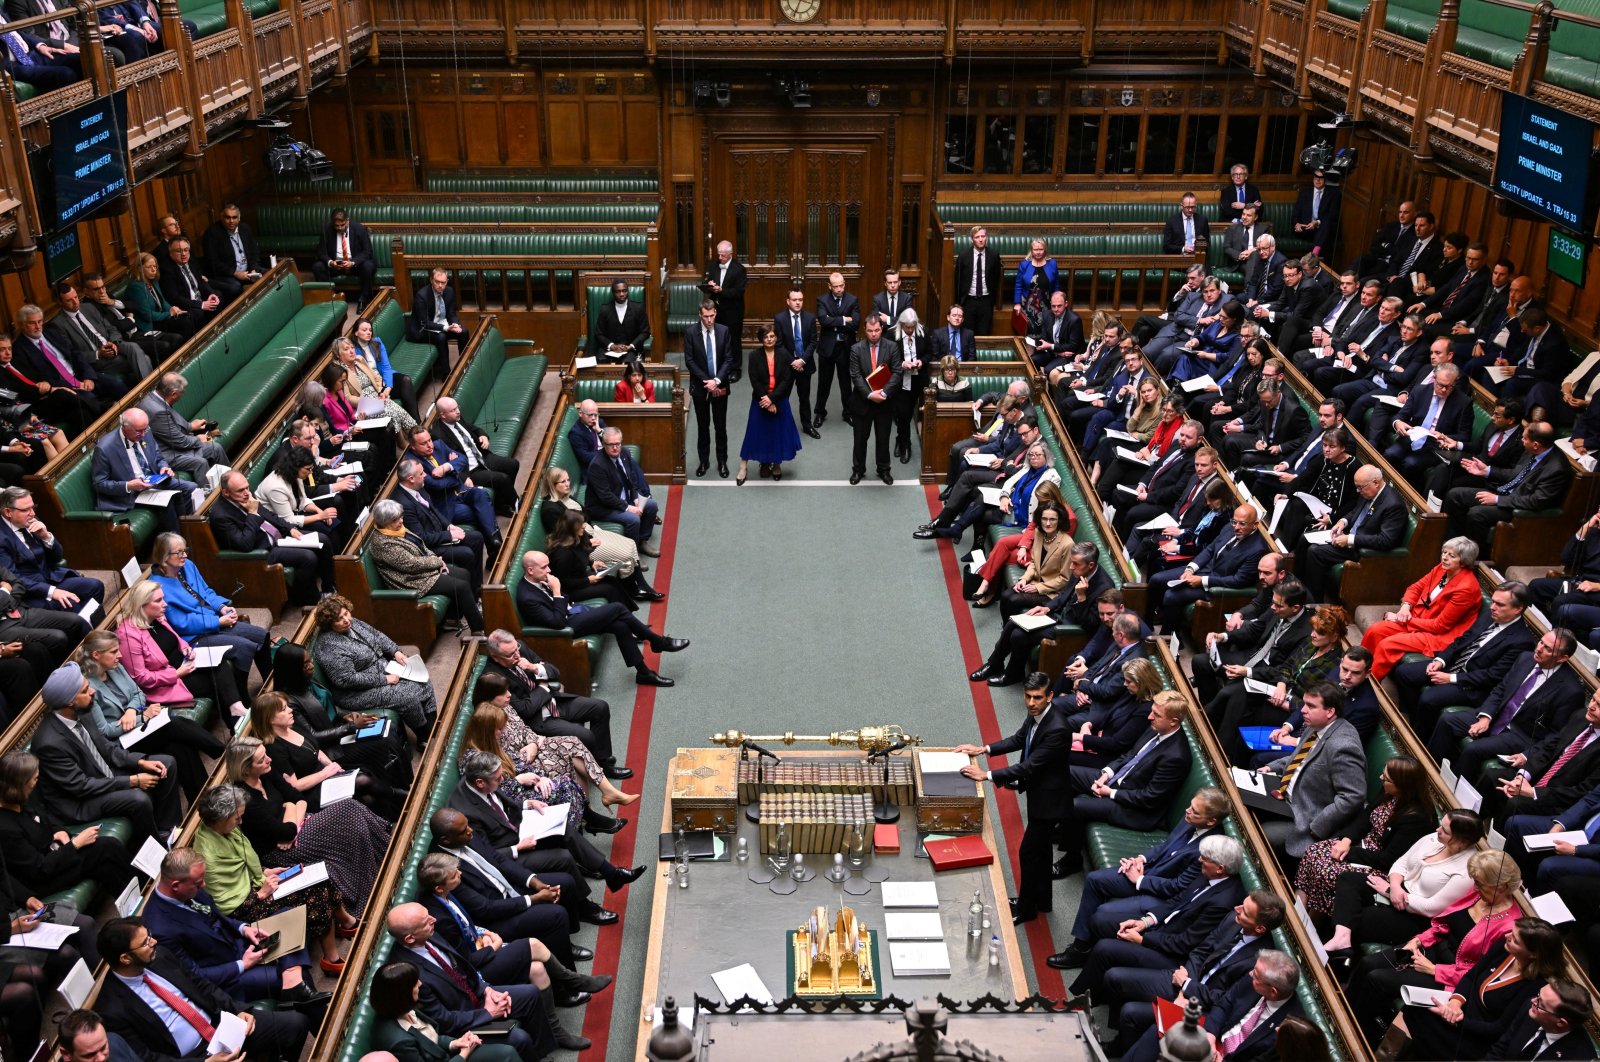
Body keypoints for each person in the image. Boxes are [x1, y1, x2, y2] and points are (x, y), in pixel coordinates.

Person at [1346, 849, 1524, 1042]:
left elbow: (1480, 975)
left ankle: (1356, 1038)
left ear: (1502, 886)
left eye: (1481, 883)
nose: (1475, 886)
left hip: (1448, 977)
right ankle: (1342, 1016)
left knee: (1376, 979)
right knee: (1367, 964)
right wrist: (1419, 940)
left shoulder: (1510, 927)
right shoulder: (1477, 893)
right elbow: (1443, 925)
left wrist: (1434, 970)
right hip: (1430, 950)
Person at [1050, 786, 1230, 970]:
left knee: (1103, 914)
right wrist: (1141, 859)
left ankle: (1083, 951)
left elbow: (1178, 887)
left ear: (1211, 822)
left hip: (1162, 896)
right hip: (1148, 870)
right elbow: (1166, 845)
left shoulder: (1209, 851)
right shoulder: (1190, 819)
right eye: (1190, 806)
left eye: (1195, 811)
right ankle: (1081, 949)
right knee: (1095, 880)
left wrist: (1140, 880)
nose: (1188, 811)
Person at [447, 751, 634, 925]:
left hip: (520, 830)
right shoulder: (466, 814)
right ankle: (584, 907)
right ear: (480, 783)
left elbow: (499, 804)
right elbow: (487, 856)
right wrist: (518, 848)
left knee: (564, 831)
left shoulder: (480, 781)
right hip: (509, 856)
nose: (502, 780)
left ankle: (611, 874)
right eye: (498, 779)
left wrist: (528, 803)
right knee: (563, 858)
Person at [96, 917, 311, 1062]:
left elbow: (202, 986)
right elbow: (148, 1058)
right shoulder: (111, 1008)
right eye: (145, 942)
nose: (154, 941)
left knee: (297, 1024)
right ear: (125, 958)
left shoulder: (160, 956)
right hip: (194, 1056)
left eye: (149, 935)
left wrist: (239, 1010)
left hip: (221, 1025)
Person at [1109, 893, 1291, 1062]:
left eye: (1244, 911)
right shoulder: (1232, 920)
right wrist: (1186, 986)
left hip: (1203, 1007)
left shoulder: (1260, 964)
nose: (1236, 909)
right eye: (1241, 905)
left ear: (1259, 928)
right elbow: (1199, 952)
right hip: (1185, 980)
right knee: (1116, 980)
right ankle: (1122, 1048)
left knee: (1133, 1014)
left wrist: (1189, 989)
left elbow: (1223, 998)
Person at [142, 846, 326, 1012]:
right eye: (198, 883)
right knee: (296, 973)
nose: (203, 886)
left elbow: (217, 917)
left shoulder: (189, 886)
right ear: (176, 886)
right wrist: (242, 965)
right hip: (229, 975)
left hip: (240, 943)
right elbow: (194, 977)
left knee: (288, 917)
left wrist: (244, 928)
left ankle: (295, 989)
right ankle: (324, 1026)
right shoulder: (160, 928)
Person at [1063, 835, 1248, 997]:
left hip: (1172, 954)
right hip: (1162, 929)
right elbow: (1176, 901)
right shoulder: (1207, 874)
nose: (1199, 860)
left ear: (1220, 869)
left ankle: (1082, 1001)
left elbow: (1184, 943)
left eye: (1204, 858)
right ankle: (1091, 980)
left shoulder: (1222, 902)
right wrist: (1144, 922)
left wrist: (1142, 940)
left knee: (1104, 949)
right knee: (1099, 920)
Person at [953, 674, 1069, 925]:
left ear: (1049, 697)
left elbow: (1029, 766)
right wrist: (984, 749)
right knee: (1041, 853)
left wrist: (987, 775)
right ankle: (1042, 901)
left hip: (1048, 802)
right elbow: (1019, 740)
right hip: (1041, 793)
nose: (1031, 702)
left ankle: (1027, 909)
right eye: (1027, 697)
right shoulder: (1038, 714)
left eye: (1037, 697)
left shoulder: (1057, 728)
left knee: (1029, 853)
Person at [31, 661, 179, 846]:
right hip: (80, 801)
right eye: (85, 690)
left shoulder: (82, 712)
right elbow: (81, 786)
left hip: (103, 775)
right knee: (137, 799)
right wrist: (133, 780)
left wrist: (139, 762)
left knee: (167, 764)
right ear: (70, 701)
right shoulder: (49, 743)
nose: (93, 691)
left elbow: (107, 749)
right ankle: (156, 852)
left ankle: (167, 832)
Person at [383, 904, 554, 1062]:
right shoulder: (411, 975)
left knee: (530, 994)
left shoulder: (429, 934)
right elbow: (443, 1021)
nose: (433, 920)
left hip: (475, 996)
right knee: (519, 1038)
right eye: (426, 921)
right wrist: (487, 1013)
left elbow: (463, 967)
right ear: (410, 938)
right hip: (461, 1023)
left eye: (429, 916)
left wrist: (487, 990)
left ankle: (541, 1054)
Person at [1055, 692, 1194, 877]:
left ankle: (1072, 861)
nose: (1149, 717)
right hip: (1118, 782)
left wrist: (1110, 792)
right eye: (1152, 711)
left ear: (1174, 721)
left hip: (1135, 809)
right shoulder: (1156, 727)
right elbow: (1130, 755)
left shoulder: (1176, 757)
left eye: (1156, 715)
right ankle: (1063, 829)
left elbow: (1149, 798)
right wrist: (1106, 773)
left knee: (1077, 806)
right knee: (1067, 773)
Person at [461, 691, 634, 837]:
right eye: (499, 729)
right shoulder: (474, 760)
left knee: (566, 761)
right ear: (486, 731)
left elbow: (517, 762)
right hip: (511, 801)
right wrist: (519, 781)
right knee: (564, 785)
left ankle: (586, 822)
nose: (503, 732)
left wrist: (539, 778)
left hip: (521, 783)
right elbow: (490, 796)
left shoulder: (492, 743)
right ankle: (578, 835)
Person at [77, 630, 223, 802]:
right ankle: (223, 752)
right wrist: (143, 718)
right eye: (114, 651)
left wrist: (131, 710)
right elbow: (105, 730)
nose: (120, 655)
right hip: (123, 743)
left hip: (140, 729)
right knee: (172, 724)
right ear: (96, 655)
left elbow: (139, 693)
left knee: (180, 748)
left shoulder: (115, 668)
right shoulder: (87, 687)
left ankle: (205, 802)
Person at [1391, 918, 1566, 1061]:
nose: (1507, 936)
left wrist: (1456, 1020)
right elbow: (1471, 976)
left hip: (1477, 1036)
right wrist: (1455, 1003)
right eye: (1511, 932)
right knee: (1414, 1009)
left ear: (1533, 954)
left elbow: (1498, 1030)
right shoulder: (1504, 948)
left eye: (1515, 939)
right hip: (1460, 1013)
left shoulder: (1536, 986)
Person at [1320, 809, 1485, 954]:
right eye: (1441, 825)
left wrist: (1391, 892)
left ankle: (1339, 961)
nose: (1437, 829)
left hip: (1414, 916)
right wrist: (1395, 885)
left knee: (1357, 917)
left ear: (1460, 841)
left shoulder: (1466, 870)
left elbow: (1432, 908)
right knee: (1348, 879)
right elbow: (1402, 862)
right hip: (1395, 887)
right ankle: (1341, 939)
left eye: (1444, 830)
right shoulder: (1435, 838)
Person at [1427, 629, 1583, 781]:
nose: (1539, 648)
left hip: (1520, 734)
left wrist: (1527, 755)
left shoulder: (1570, 690)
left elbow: (1556, 734)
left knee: (1473, 749)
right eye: (1541, 642)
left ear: (1562, 658)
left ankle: (1450, 791)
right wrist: (1485, 716)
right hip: (1496, 715)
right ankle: (1428, 771)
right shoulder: (1525, 658)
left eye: (1547, 648)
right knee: (1447, 720)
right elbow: (1501, 689)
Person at [427, 806, 588, 952]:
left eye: (467, 825)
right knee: (556, 914)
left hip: (508, 887)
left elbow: (499, 860)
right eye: (463, 830)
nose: (470, 831)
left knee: (565, 882)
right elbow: (485, 909)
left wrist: (535, 882)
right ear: (445, 840)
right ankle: (566, 977)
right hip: (495, 916)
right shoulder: (445, 870)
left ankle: (565, 939)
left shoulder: (465, 836)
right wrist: (534, 899)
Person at [1293, 754, 1435, 918]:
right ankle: (1297, 914)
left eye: (1386, 778)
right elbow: (1366, 817)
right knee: (1313, 852)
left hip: (1381, 866)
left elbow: (1387, 860)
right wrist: (1346, 841)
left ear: (1402, 786)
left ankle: (1312, 924)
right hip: (1361, 845)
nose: (1381, 777)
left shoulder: (1417, 819)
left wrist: (1350, 852)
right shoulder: (1389, 791)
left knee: (1328, 871)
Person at [515, 551, 685, 687]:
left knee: (620, 626)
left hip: (572, 613)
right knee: (617, 608)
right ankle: (657, 641)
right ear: (530, 570)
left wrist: (560, 596)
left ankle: (643, 673)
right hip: (564, 628)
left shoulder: (539, 579)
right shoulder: (527, 597)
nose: (549, 571)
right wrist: (557, 592)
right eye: (544, 567)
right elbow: (557, 623)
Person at [272, 640, 412, 794]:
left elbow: (328, 707)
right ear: (293, 670)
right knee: (383, 742)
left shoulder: (307, 681)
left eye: (310, 661)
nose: (311, 666)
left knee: (389, 728)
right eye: (305, 665)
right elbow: (312, 737)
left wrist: (347, 716)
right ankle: (398, 792)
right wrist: (351, 727)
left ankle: (407, 783)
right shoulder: (289, 702)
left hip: (341, 731)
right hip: (332, 749)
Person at [482, 629, 625, 778]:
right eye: (511, 655)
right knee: (586, 735)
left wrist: (533, 667)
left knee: (600, 707)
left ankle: (602, 759)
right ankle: (602, 770)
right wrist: (543, 687)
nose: (517, 655)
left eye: (516, 649)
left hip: (552, 701)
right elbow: (525, 710)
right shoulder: (493, 678)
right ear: (495, 657)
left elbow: (554, 671)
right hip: (537, 719)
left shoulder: (520, 647)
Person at [972, 541, 1115, 688]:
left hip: (1069, 629)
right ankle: (995, 664)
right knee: (1013, 624)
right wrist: (1047, 608)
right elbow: (1063, 595)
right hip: (1056, 615)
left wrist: (1081, 599)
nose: (1071, 567)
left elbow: (1090, 625)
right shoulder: (1081, 568)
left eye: (1075, 564)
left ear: (1091, 565)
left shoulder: (1105, 588)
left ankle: (1011, 673)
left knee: (1018, 635)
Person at [1251, 682, 1367, 862]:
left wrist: (1318, 826)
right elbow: (1298, 759)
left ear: (1330, 712)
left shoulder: (1343, 746)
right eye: (1304, 704)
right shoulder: (1315, 726)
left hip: (1307, 816)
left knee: (1260, 835)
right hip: (1287, 796)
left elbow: (1353, 796)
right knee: (1243, 802)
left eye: (1311, 706)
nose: (1303, 710)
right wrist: (1271, 768)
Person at [0, 747, 136, 899]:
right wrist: (76, 843)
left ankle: (137, 899)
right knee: (106, 847)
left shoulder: (23, 798)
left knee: (106, 866)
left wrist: (59, 830)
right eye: (34, 779)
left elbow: (46, 818)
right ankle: (146, 888)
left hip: (57, 855)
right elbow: (39, 869)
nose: (36, 783)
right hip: (44, 878)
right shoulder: (6, 828)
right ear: (20, 785)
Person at [312, 595, 439, 747]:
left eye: (346, 614)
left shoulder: (352, 624)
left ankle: (431, 726)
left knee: (422, 678)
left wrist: (395, 651)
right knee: (406, 697)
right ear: (328, 624)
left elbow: (377, 636)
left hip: (383, 668)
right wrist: (385, 680)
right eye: (339, 619)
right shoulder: (328, 645)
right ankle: (423, 736)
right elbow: (347, 680)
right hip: (354, 693)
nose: (346, 620)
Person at [149, 531, 272, 686]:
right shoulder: (157, 586)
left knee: (261, 635)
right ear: (164, 557)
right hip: (193, 637)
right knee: (244, 647)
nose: (185, 556)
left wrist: (221, 607)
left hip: (214, 620)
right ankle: (243, 696)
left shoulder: (188, 566)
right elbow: (181, 623)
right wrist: (218, 621)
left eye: (186, 551)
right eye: (179, 552)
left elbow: (206, 591)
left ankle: (270, 684)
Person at [117, 578, 246, 721]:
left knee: (221, 663)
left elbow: (174, 637)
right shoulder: (128, 636)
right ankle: (237, 720)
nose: (165, 604)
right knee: (218, 684)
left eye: (163, 599)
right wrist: (176, 674)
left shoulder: (157, 616)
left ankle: (237, 710)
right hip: (166, 683)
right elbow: (141, 678)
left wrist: (184, 646)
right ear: (142, 605)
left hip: (185, 664)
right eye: (158, 601)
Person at [1360, 537, 1483, 678]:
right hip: (1420, 619)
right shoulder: (1441, 569)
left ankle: (1368, 687)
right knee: (1374, 631)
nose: (1444, 557)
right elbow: (1415, 588)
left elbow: (1440, 626)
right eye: (1444, 552)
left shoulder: (1466, 588)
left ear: (1464, 561)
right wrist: (1405, 608)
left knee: (1387, 645)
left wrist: (1403, 620)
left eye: (1452, 555)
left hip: (1440, 635)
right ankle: (1356, 669)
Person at [1444, 421, 1572, 550]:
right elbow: (1516, 474)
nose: (1521, 440)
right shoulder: (1533, 450)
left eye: (1524, 438)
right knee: (1455, 495)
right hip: (1503, 493)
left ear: (1536, 445)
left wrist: (1497, 499)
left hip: (1517, 508)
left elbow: (1537, 501)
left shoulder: (1557, 469)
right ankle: (1452, 545)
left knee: (1477, 514)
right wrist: (1487, 471)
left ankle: (1471, 556)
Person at [211, 470, 333, 605]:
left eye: (247, 487)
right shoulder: (220, 515)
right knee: (307, 557)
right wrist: (252, 513)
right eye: (240, 490)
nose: (246, 493)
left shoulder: (246, 497)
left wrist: (290, 528)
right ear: (226, 493)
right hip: (263, 550)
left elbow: (270, 516)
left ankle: (329, 589)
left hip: (279, 538)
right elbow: (244, 544)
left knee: (323, 539)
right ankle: (311, 599)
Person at [366, 959, 524, 1062]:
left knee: (508, 1049)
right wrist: (463, 1054)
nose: (420, 984)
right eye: (414, 983)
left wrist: (455, 1043)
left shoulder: (403, 1008)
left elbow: (432, 1038)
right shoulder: (400, 1042)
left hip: (450, 1054)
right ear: (402, 993)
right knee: (506, 1055)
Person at [368, 499, 485, 639]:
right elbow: (410, 564)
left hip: (422, 570)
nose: (400, 521)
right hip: (411, 580)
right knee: (461, 586)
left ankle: (452, 619)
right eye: (395, 519)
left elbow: (421, 545)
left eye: (400, 516)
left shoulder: (396, 529)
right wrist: (436, 562)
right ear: (385, 522)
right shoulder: (382, 543)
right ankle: (478, 630)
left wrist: (437, 560)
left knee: (464, 574)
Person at [1147, 505, 1268, 636]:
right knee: (1156, 579)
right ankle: (1146, 624)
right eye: (1234, 522)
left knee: (1171, 595)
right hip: (1203, 570)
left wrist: (1203, 581)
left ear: (1255, 524)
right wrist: (1190, 568)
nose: (1236, 527)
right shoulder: (1229, 528)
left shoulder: (1258, 549)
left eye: (1242, 524)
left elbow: (1239, 580)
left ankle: (1168, 638)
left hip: (1215, 584)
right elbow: (1210, 549)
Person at [1191, 576, 1313, 705]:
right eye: (1273, 602)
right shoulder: (1277, 608)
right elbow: (1255, 629)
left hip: (1267, 674)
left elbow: (1286, 669)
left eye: (1278, 605)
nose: (1272, 607)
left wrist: (1247, 671)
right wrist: (1222, 636)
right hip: (1251, 656)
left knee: (1227, 693)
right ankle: (1207, 711)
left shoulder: (1306, 633)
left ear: (1295, 608)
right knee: (1200, 661)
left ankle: (1212, 716)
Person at [1298, 465, 1408, 601]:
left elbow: (1386, 540)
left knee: (1315, 551)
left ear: (1375, 482)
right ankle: (1297, 587)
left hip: (1362, 550)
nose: (1357, 490)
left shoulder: (1393, 505)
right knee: (1305, 538)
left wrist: (1350, 539)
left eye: (1360, 487)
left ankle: (1313, 601)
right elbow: (1355, 512)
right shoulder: (1367, 492)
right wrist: (1342, 522)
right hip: (1348, 536)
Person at [91, 407, 194, 536]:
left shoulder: (146, 431)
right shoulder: (104, 449)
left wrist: (163, 467)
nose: (144, 434)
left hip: (154, 481)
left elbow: (158, 456)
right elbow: (99, 484)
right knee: (166, 504)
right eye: (139, 431)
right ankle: (175, 545)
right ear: (124, 427)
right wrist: (128, 485)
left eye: (145, 429)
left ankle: (189, 532)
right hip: (130, 494)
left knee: (191, 488)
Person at [393, 459, 484, 595]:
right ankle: (473, 595)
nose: (425, 475)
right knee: (466, 554)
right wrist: (449, 535)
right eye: (422, 473)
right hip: (430, 548)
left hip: (439, 533)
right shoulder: (404, 503)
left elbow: (433, 509)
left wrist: (449, 526)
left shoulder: (418, 486)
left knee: (477, 538)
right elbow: (421, 538)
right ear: (411, 478)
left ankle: (478, 588)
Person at [405, 425, 500, 552]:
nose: (429, 445)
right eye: (424, 443)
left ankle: (495, 544)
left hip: (461, 491)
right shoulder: (413, 463)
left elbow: (463, 459)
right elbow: (436, 485)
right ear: (413, 446)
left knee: (481, 495)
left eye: (429, 440)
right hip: (446, 503)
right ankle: (496, 547)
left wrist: (446, 467)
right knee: (482, 512)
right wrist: (455, 475)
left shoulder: (439, 445)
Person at [540, 465, 640, 581]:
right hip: (583, 546)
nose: (568, 484)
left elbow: (584, 517)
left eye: (568, 480)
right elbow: (563, 537)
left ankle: (640, 585)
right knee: (627, 555)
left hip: (590, 533)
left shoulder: (565, 496)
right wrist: (587, 542)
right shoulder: (550, 510)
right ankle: (633, 586)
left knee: (631, 544)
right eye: (563, 481)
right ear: (552, 484)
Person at [51, 280, 153, 393]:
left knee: (133, 347)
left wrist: (113, 342)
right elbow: (72, 354)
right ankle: (150, 392)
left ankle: (149, 392)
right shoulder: (58, 324)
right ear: (60, 302)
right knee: (145, 358)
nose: (75, 302)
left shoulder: (88, 307)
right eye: (69, 300)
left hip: (112, 344)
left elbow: (111, 328)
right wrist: (98, 353)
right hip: (97, 358)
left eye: (75, 297)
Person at [544, 507, 656, 607]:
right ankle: (624, 617)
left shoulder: (575, 540)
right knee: (609, 589)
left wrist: (591, 563)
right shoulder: (562, 554)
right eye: (580, 525)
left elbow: (578, 558)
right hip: (569, 591)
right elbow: (563, 583)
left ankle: (628, 615)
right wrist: (588, 580)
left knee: (611, 580)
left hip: (579, 577)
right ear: (571, 528)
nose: (583, 526)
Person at [738, 322, 803, 484]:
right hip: (760, 400)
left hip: (779, 399)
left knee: (777, 433)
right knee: (754, 433)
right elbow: (755, 380)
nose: (769, 339)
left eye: (772, 336)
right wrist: (766, 400)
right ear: (761, 339)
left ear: (776, 338)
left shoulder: (784, 354)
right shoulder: (754, 356)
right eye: (766, 337)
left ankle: (776, 464)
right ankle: (743, 467)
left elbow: (786, 380)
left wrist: (773, 399)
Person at [138, 373, 229, 485]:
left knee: (216, 448)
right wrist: (198, 439)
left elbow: (171, 425)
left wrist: (190, 426)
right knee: (200, 462)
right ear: (174, 394)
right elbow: (180, 442)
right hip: (166, 452)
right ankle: (210, 497)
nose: (181, 396)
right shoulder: (158, 412)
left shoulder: (155, 396)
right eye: (181, 394)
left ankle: (230, 483)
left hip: (172, 444)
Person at [583, 426, 659, 556]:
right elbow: (605, 497)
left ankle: (642, 541)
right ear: (603, 444)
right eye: (610, 444)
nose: (615, 448)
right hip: (603, 507)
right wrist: (628, 508)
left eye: (617, 444)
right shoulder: (597, 465)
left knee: (651, 505)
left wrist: (635, 497)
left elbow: (632, 478)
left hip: (623, 498)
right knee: (633, 519)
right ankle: (632, 555)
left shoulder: (624, 453)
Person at [684, 299, 738, 478]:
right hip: (700, 387)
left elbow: (729, 359)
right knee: (702, 426)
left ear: (715, 313)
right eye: (706, 316)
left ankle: (722, 461)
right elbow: (690, 361)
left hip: (719, 385)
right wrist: (706, 381)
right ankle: (704, 461)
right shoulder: (691, 332)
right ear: (700, 314)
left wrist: (716, 380)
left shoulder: (724, 331)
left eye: (712, 315)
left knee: (720, 426)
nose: (709, 320)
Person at [847, 314, 902, 486]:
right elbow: (855, 375)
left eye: (877, 330)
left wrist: (884, 393)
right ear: (865, 330)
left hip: (884, 403)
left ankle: (884, 470)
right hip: (863, 402)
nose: (873, 334)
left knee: (883, 439)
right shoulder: (856, 349)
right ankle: (858, 470)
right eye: (870, 331)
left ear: (882, 329)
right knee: (860, 439)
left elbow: (897, 372)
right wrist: (870, 394)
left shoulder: (892, 347)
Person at [1484, 981, 1597, 1062]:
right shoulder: (1530, 1009)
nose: (1533, 1001)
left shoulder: (1581, 1057)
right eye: (1538, 995)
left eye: (1541, 1004)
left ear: (1561, 1023)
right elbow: (1500, 1049)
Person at [335, 336, 417, 436]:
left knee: (401, 412)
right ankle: (402, 441)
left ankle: (417, 436)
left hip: (378, 398)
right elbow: (347, 398)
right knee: (391, 413)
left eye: (352, 347)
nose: (352, 351)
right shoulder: (339, 371)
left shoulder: (359, 360)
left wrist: (381, 392)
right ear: (338, 355)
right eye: (346, 349)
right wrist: (370, 402)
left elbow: (376, 377)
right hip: (364, 406)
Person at [813, 271, 860, 429]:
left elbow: (856, 324)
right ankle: (820, 412)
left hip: (845, 348)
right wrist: (843, 320)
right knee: (824, 383)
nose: (840, 289)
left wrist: (834, 321)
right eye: (836, 287)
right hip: (828, 348)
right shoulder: (822, 299)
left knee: (846, 382)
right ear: (829, 286)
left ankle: (848, 413)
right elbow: (823, 321)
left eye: (842, 286)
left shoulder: (852, 299)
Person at [353, 317, 421, 421]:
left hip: (385, 380)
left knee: (405, 380)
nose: (368, 332)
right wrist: (380, 390)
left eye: (370, 330)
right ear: (356, 333)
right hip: (373, 385)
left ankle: (417, 423)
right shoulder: (353, 350)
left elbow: (386, 367)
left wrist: (388, 388)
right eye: (364, 330)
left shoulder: (377, 342)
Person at [200, 203, 266, 303]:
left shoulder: (245, 228)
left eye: (234, 217)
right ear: (221, 218)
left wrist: (253, 268)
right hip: (228, 274)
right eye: (228, 217)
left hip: (249, 271)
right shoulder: (212, 234)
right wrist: (235, 273)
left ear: (239, 218)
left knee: (268, 273)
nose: (231, 221)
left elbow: (254, 251)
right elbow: (212, 262)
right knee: (235, 287)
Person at [314, 208, 376, 310]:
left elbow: (367, 252)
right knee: (317, 267)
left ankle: (363, 299)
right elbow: (321, 252)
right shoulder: (327, 230)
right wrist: (330, 262)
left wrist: (353, 262)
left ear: (347, 220)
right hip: (336, 265)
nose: (340, 228)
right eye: (337, 226)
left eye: (342, 225)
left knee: (368, 266)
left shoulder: (359, 229)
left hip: (355, 265)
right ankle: (329, 297)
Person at [125, 250, 193, 339]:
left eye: (155, 266)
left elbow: (163, 302)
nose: (153, 270)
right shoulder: (135, 287)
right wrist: (169, 314)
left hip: (160, 318)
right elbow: (148, 315)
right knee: (185, 323)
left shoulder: (153, 281)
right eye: (149, 267)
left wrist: (174, 310)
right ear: (139, 269)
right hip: (149, 325)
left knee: (188, 317)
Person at [159, 237, 221, 329]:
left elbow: (201, 281)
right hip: (185, 305)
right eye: (178, 251)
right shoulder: (167, 270)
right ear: (171, 254)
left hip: (198, 298)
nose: (183, 254)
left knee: (218, 298)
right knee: (198, 313)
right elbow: (174, 298)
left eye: (186, 250)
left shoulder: (191, 261)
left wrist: (211, 293)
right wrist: (201, 305)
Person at [408, 267, 464, 368]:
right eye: (437, 282)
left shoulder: (449, 291)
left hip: (440, 324)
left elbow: (451, 313)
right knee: (441, 337)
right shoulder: (422, 296)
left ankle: (464, 366)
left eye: (443, 282)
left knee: (463, 332)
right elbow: (425, 323)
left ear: (447, 282)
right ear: (431, 280)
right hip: (422, 330)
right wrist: (446, 328)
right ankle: (446, 372)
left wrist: (455, 324)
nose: (440, 285)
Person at [955, 226, 1003, 335]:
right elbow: (958, 281)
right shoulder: (963, 255)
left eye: (983, 236)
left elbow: (997, 278)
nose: (980, 239)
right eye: (977, 237)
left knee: (984, 332)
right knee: (967, 334)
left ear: (986, 238)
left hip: (986, 300)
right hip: (968, 300)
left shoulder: (994, 255)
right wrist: (958, 303)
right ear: (972, 239)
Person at [701, 240, 747, 351]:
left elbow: (739, 292)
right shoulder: (714, 266)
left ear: (730, 254)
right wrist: (709, 284)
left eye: (723, 255)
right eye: (719, 254)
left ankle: (736, 367)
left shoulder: (739, 269)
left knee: (733, 340)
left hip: (733, 311)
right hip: (716, 310)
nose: (720, 257)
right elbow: (707, 281)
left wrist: (722, 290)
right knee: (717, 339)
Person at [591, 277, 650, 361]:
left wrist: (631, 346)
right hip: (609, 350)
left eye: (624, 291)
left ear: (627, 291)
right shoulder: (605, 309)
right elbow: (599, 334)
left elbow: (645, 332)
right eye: (618, 291)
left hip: (630, 350)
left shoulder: (638, 308)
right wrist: (612, 346)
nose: (622, 294)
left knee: (628, 364)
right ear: (613, 293)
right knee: (601, 361)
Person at [58, 1009, 142, 1062]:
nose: (101, 1058)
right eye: (89, 1055)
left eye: (103, 1047)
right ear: (66, 1054)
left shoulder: (115, 1042)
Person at [1293, 169, 1341, 256]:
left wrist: (1317, 222)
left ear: (1325, 180)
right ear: (1313, 179)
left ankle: (1314, 254)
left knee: (1326, 223)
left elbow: (1332, 215)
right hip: (1305, 229)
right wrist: (1297, 224)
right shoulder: (1304, 193)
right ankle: (1315, 255)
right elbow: (1296, 213)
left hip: (1322, 229)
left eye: (1321, 178)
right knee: (1324, 230)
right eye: (1316, 178)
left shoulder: (1333, 195)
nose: (1318, 180)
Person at [1014, 238, 1058, 332]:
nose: (1038, 252)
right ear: (1031, 250)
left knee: (1046, 331)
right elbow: (1018, 285)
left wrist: (1057, 302)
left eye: (1041, 249)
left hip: (1046, 303)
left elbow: (1056, 285)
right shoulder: (1024, 264)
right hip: (1028, 304)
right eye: (1036, 250)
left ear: (1045, 250)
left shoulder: (1052, 264)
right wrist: (1017, 303)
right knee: (1029, 333)